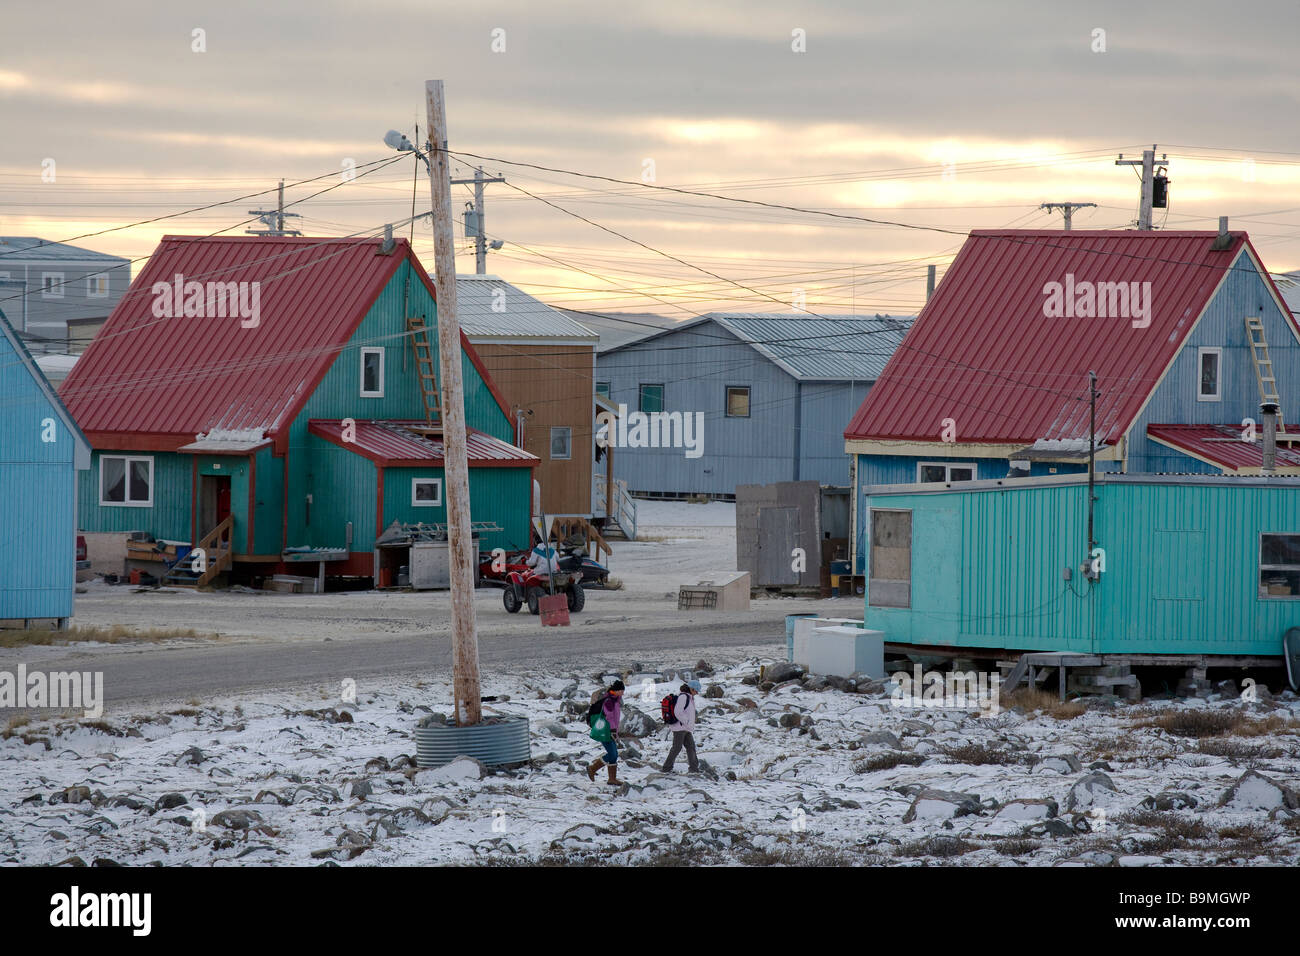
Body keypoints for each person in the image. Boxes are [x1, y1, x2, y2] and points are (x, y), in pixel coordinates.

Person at [586, 679, 624, 786]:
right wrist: (613, 730)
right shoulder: (609, 701)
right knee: (613, 754)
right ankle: (592, 768)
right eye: (621, 690)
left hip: (610, 731)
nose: (623, 693)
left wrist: (615, 731)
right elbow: (610, 717)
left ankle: (612, 779)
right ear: (616, 690)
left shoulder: (615, 699)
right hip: (606, 731)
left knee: (614, 755)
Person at [662, 681, 700, 773]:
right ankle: (666, 768)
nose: (697, 693)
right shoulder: (683, 697)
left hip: (685, 727)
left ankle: (694, 769)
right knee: (677, 748)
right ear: (692, 689)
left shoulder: (689, 697)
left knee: (691, 747)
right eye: (696, 691)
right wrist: (686, 721)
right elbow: (678, 712)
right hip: (680, 727)